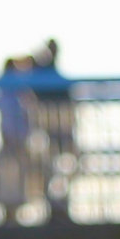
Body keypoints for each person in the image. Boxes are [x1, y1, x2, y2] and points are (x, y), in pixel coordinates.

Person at [31, 38, 78, 222]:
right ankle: (53, 205)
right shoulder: (44, 69)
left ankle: (59, 204)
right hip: (49, 129)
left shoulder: (48, 71)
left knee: (63, 168)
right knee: (49, 169)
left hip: (59, 128)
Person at [0, 53, 35, 225]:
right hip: (14, 135)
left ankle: (11, 207)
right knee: (16, 172)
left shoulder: (6, 86)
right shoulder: (15, 86)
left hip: (12, 135)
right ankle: (12, 207)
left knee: (13, 172)